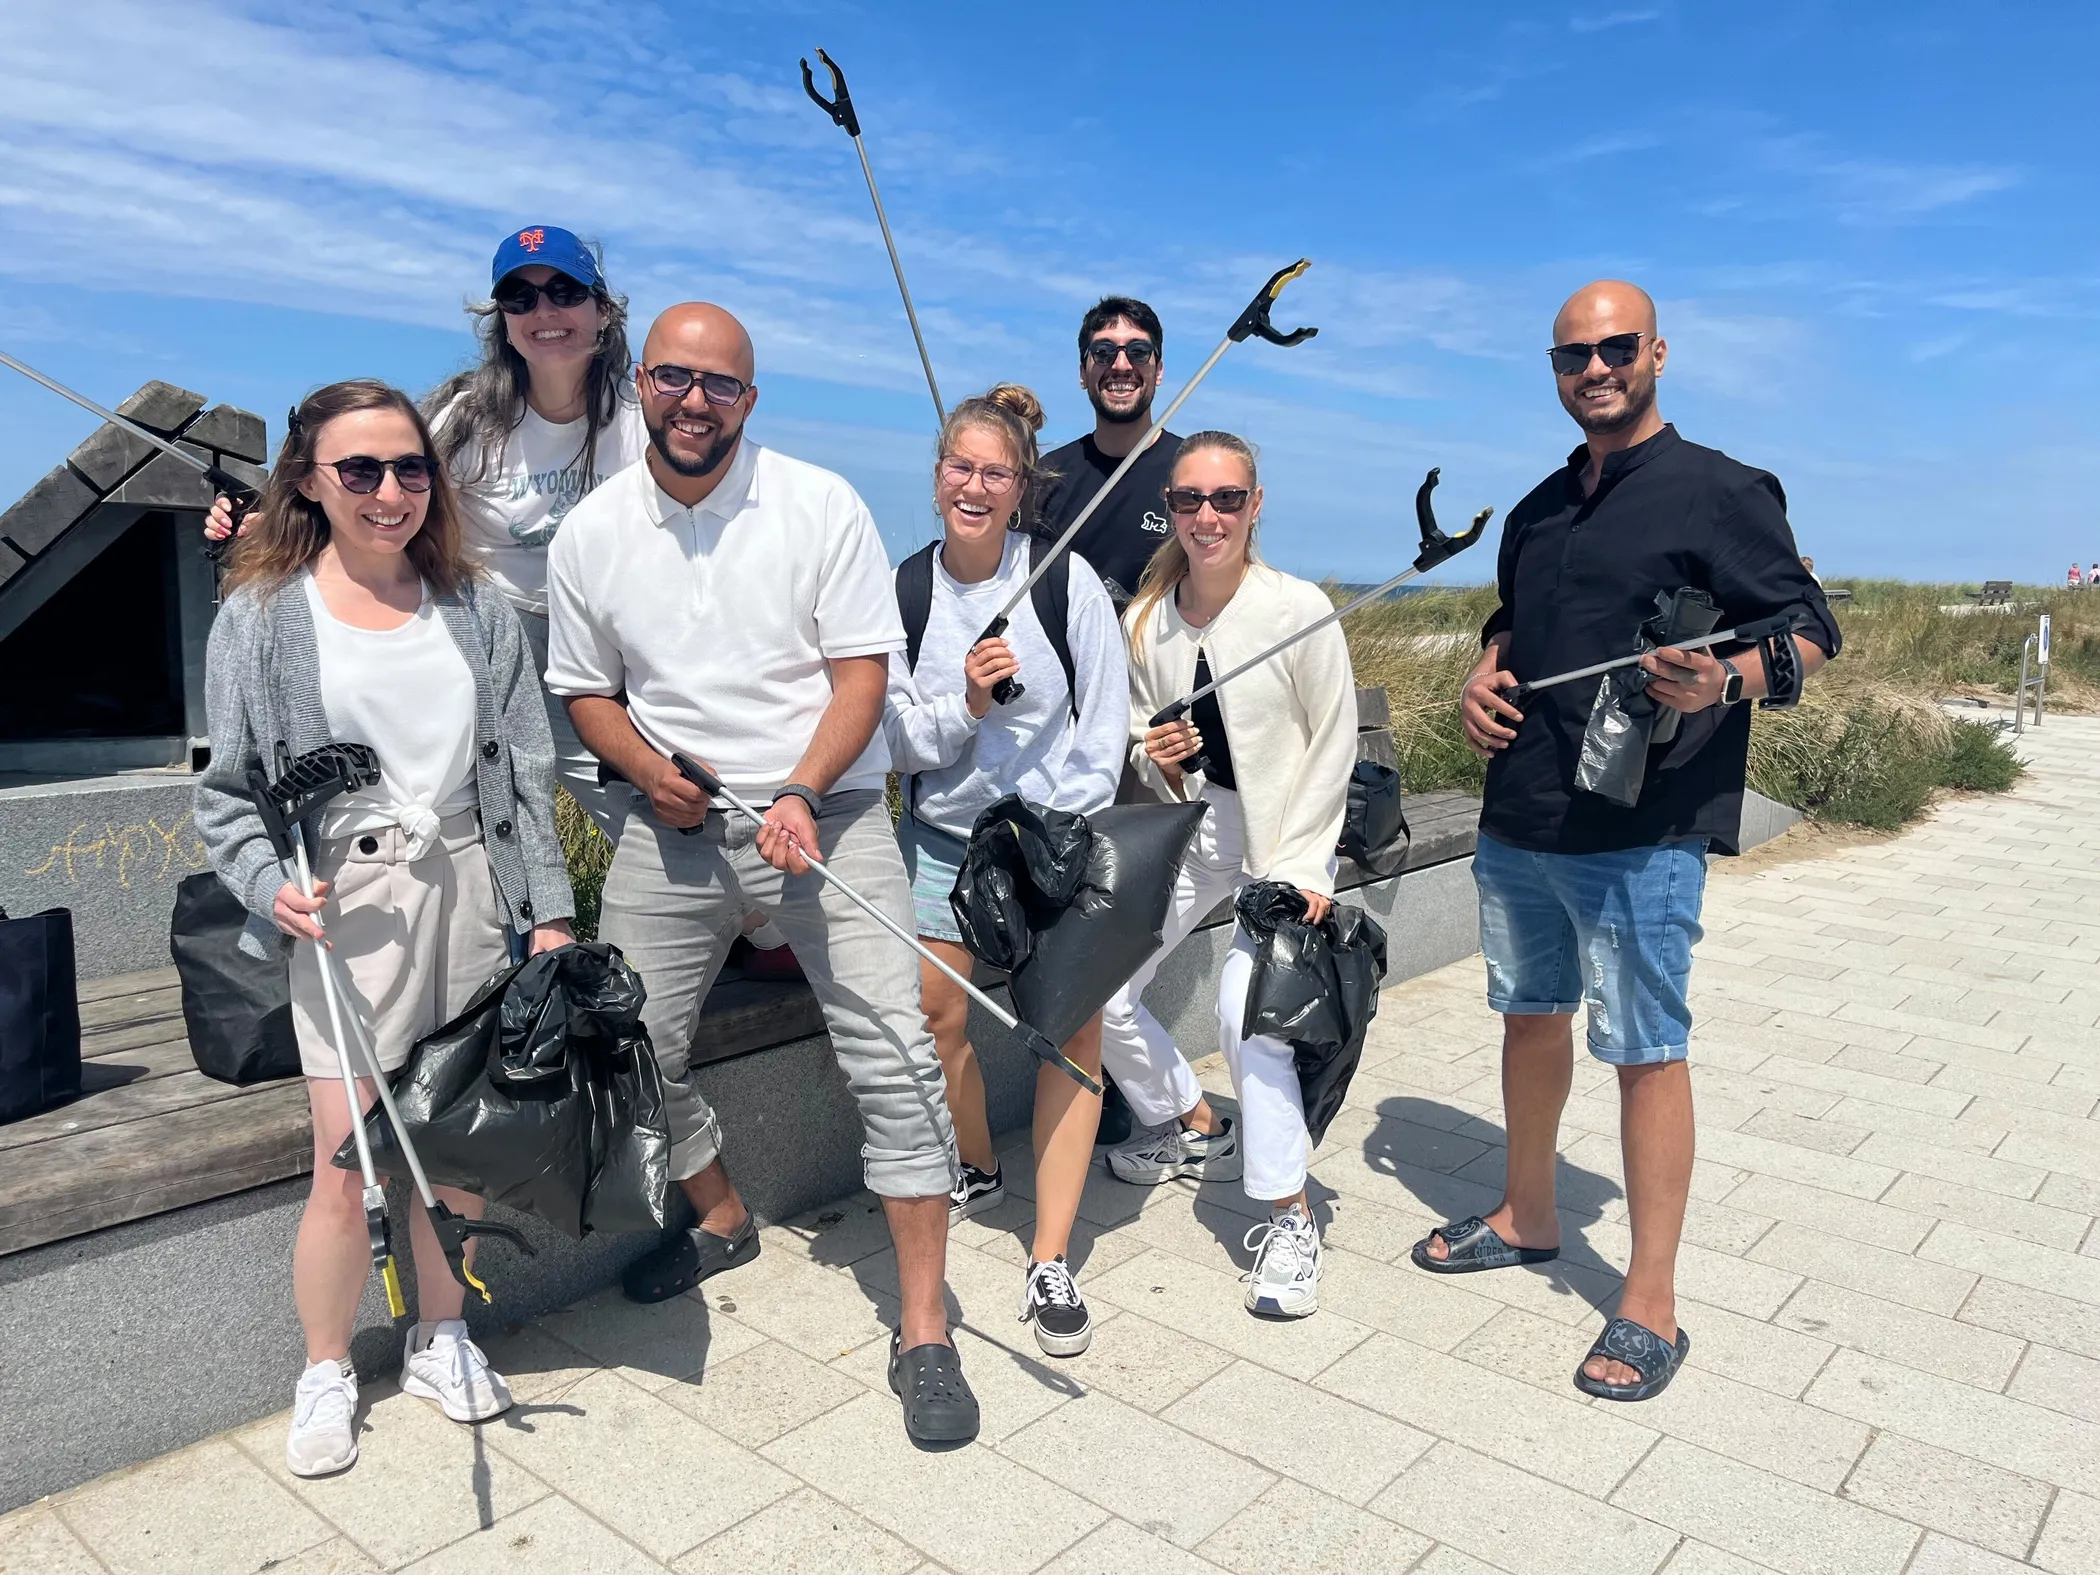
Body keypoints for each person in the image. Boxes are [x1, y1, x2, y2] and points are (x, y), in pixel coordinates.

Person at [544, 302, 978, 1444]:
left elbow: (859, 682)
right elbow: (586, 692)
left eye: (721, 385)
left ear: (751, 397)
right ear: (639, 381)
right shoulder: (590, 531)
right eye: (675, 379)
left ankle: (925, 1326)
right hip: (671, 828)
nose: (696, 402)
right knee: (624, 1042)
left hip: (825, 819)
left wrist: (795, 792)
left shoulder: (820, 503)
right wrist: (645, 769)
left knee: (895, 1053)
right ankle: (722, 1215)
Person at [1435, 280, 1839, 1402]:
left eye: (1617, 348)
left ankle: (1650, 1301)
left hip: (1644, 824)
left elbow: (1812, 629)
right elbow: (1516, 617)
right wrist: (1483, 669)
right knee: (1527, 1014)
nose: (1595, 369)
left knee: (1646, 1047)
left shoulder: (1724, 491)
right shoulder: (1537, 508)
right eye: (1572, 356)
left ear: (1658, 351)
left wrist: (1727, 678)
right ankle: (1526, 1213)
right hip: (1523, 812)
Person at [193, 379, 576, 1478]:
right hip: (346, 911)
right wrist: (267, 881)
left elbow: (525, 774)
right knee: (345, 1160)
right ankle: (324, 1367)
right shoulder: (261, 617)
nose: (390, 490)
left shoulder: (479, 608)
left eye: (411, 468)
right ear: (309, 480)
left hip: (469, 890)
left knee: (453, 1145)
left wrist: (547, 916)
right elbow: (227, 793)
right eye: (359, 469)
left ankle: (441, 1335)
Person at [882, 384, 1127, 1356]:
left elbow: (1105, 720)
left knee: (1072, 1038)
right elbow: (897, 740)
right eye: (960, 468)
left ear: (1023, 485)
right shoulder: (905, 592)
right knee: (938, 1020)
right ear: (937, 474)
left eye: (996, 472)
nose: (974, 486)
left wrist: (1059, 823)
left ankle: (1050, 1258)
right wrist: (965, 706)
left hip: (1050, 845)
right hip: (942, 844)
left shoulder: (1063, 584)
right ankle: (976, 1164)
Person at [1100, 431, 1359, 1319]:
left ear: (1255, 505)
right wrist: (1155, 747)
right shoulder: (1148, 618)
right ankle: (1183, 1119)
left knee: (1248, 1017)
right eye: (1188, 500)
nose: (1206, 516)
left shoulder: (1297, 608)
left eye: (1225, 498)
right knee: (1098, 987)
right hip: (1199, 826)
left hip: (1285, 839)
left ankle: (1289, 1215)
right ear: (1168, 509)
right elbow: (1140, 726)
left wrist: (1305, 867)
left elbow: (1333, 736)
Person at [1033, 297, 1180, 610]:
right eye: (1103, 352)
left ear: (1159, 371)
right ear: (1083, 374)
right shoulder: (1047, 478)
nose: (1121, 365)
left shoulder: (1193, 472)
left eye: (1138, 351)